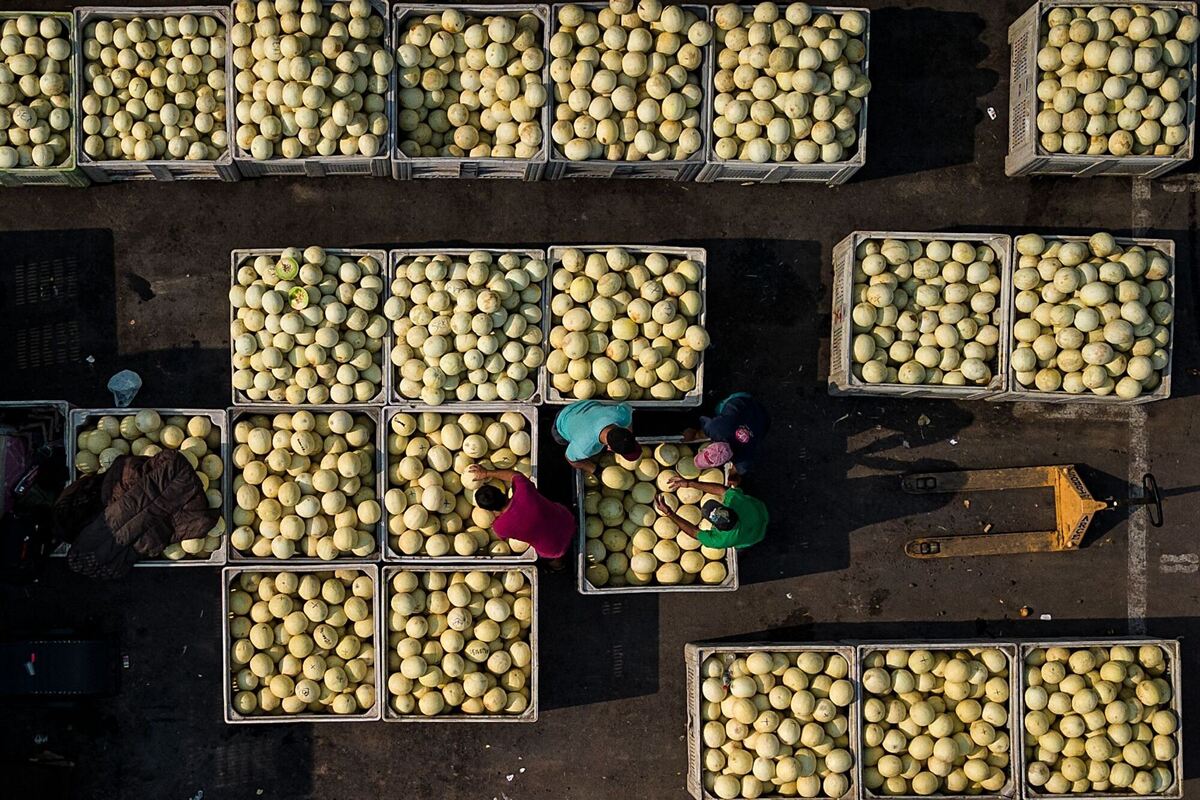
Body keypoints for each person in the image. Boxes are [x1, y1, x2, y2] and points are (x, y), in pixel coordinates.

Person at [466, 465, 575, 568]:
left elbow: (502, 534)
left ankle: (559, 567)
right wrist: (487, 473)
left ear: (489, 510)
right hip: (567, 520)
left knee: (552, 558)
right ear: (500, 490)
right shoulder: (523, 488)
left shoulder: (500, 527)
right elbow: (513, 475)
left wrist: (496, 517)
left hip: (554, 547)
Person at [653, 474, 767, 551]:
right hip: (761, 513)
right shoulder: (739, 503)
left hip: (753, 537)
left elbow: (694, 532)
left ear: (718, 528)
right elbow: (721, 490)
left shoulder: (720, 540)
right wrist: (689, 484)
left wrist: (669, 513)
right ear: (729, 509)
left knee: (743, 545)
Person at [686, 392, 769, 483]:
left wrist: (733, 479)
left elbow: (736, 473)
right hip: (747, 407)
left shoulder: (743, 459)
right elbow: (699, 433)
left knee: (756, 434)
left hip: (762, 420)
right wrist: (693, 434)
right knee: (721, 409)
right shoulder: (715, 429)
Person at [553, 399, 641, 473]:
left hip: (581, 406)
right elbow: (570, 459)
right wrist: (594, 469)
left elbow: (627, 408)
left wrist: (628, 430)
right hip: (561, 422)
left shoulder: (622, 416)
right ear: (610, 448)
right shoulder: (586, 448)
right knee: (561, 440)